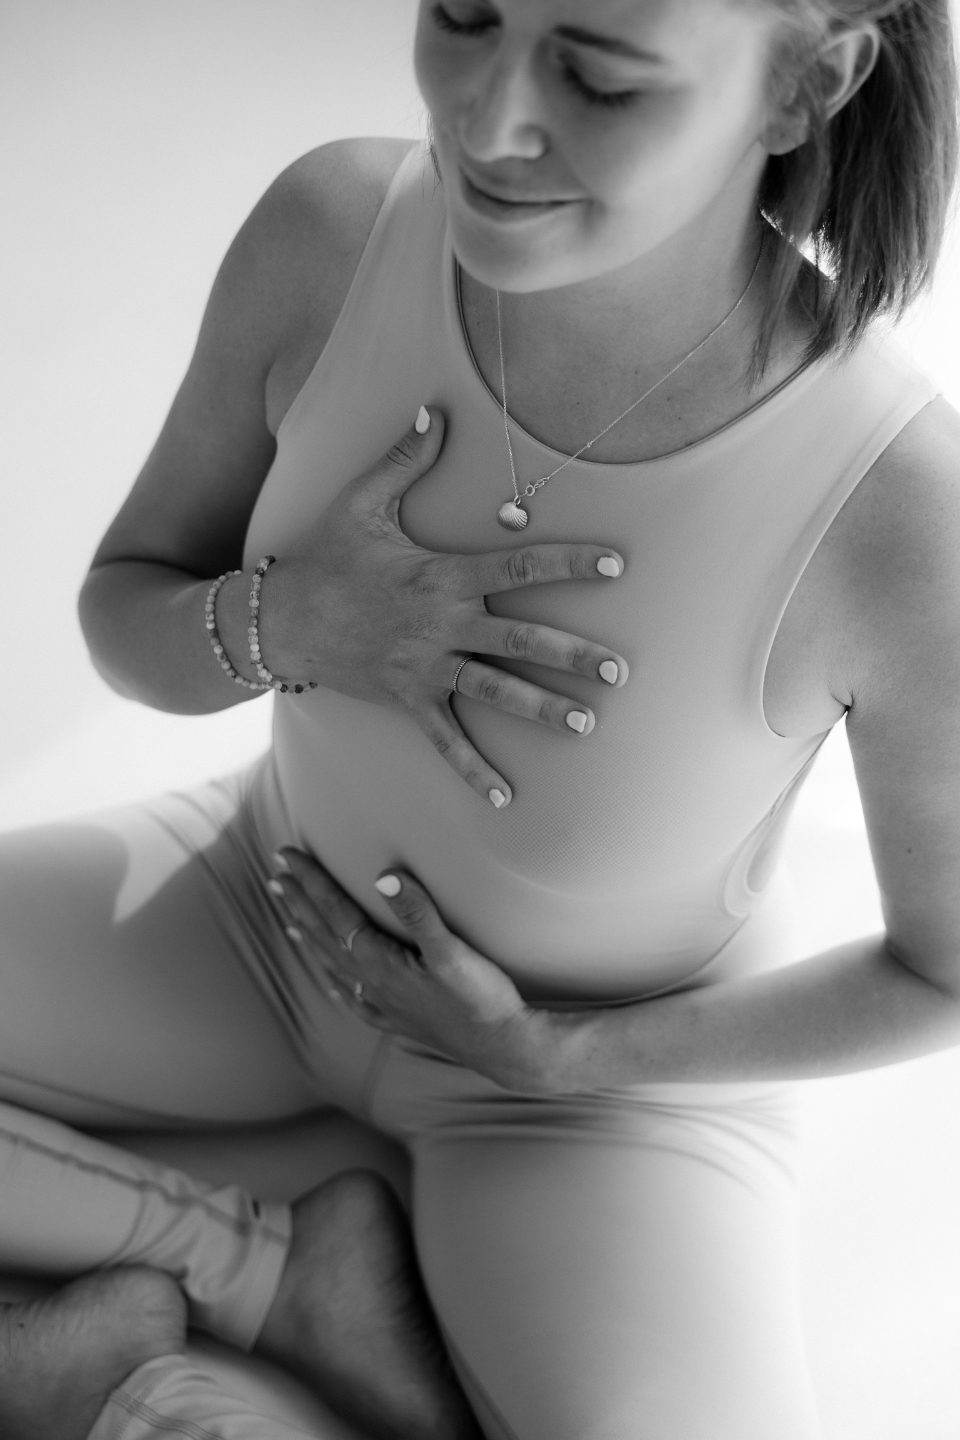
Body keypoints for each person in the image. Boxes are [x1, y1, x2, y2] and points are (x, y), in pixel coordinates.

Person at [2, 0, 959, 1436]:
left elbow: (944, 976)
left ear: (803, 89)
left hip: (599, 1099)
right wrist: (290, 620)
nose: (489, 120)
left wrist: (557, 1058)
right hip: (260, 915)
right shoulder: (334, 233)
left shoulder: (901, 507)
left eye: (597, 75)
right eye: (465, 15)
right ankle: (271, 1279)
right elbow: (122, 607)